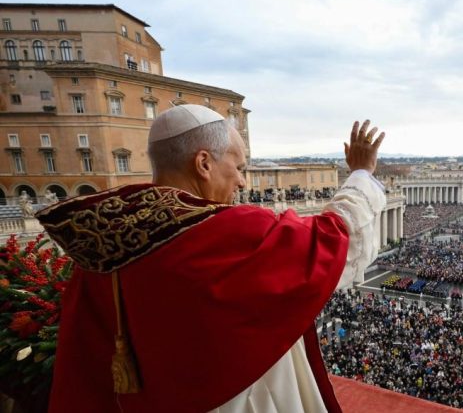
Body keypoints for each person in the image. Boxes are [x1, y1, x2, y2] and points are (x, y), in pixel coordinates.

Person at [37, 104, 387, 412]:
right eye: (238, 167)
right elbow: (335, 237)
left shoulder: (104, 242)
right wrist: (361, 172)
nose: (241, 181)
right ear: (203, 163)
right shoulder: (224, 232)